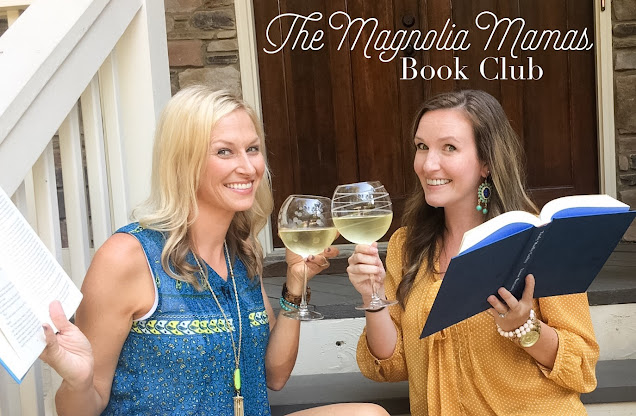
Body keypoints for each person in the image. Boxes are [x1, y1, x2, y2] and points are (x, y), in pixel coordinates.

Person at [39, 86, 389, 416]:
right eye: (224, 151)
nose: (248, 167)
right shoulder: (128, 256)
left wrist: (296, 282)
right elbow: (83, 406)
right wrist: (78, 382)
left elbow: (274, 375)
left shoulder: (241, 252)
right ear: (183, 162)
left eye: (252, 149)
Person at [347, 90, 599, 415]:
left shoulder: (540, 241)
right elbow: (392, 366)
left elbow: (581, 366)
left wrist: (525, 327)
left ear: (486, 163)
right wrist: (372, 297)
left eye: (449, 147)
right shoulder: (406, 246)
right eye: (422, 146)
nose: (428, 164)